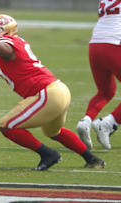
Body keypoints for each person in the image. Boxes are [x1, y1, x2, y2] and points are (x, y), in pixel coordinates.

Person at [0, 14, 105, 170]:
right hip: (58, 90)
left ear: (5, 30)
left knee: (7, 126)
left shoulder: (7, 43)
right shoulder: (11, 49)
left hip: (47, 93)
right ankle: (92, 159)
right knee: (53, 131)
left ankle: (48, 155)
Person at [76, 0, 121, 150]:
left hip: (95, 45)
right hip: (114, 44)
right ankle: (108, 123)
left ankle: (86, 121)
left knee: (105, 92)